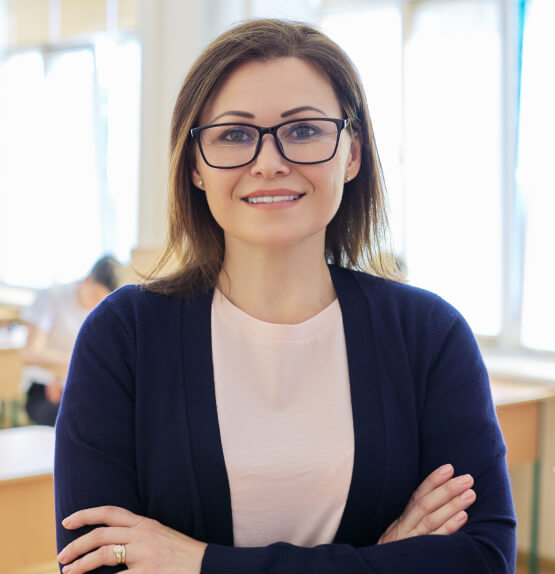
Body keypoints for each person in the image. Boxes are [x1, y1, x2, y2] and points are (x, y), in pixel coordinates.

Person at [54, 19, 516, 574]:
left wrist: (200, 563)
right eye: (234, 134)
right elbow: (95, 563)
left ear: (352, 153)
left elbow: (483, 559)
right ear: (195, 165)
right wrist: (380, 560)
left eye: (303, 130)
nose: (269, 161)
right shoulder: (123, 336)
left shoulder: (428, 335)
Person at [21, 256, 123, 426]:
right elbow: (29, 353)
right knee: (80, 421)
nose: (96, 304)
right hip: (44, 387)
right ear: (87, 280)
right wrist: (62, 372)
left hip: (80, 385)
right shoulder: (52, 297)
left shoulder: (105, 310)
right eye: (95, 296)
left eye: (102, 300)